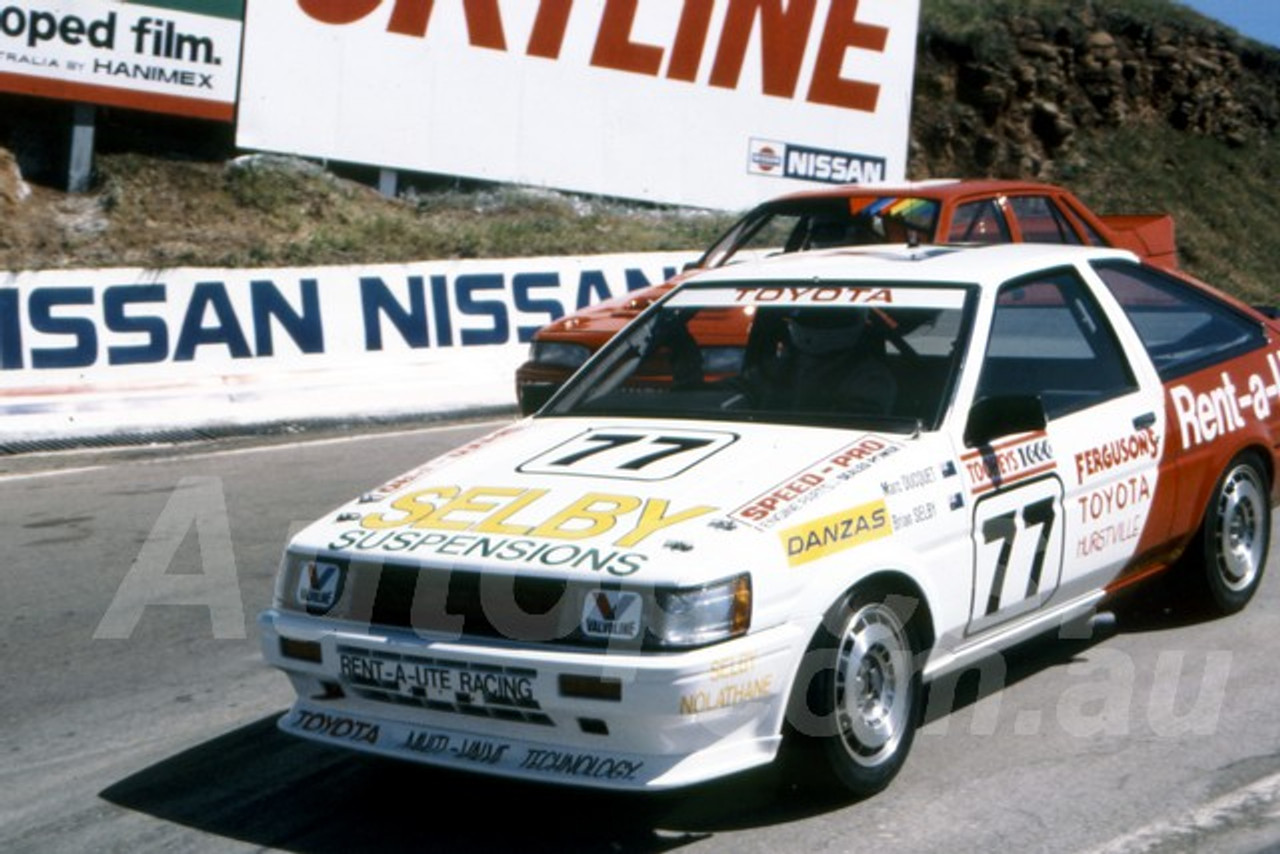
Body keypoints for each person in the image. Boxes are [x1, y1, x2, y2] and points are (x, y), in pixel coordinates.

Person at [742, 308, 897, 416]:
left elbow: (854, 427)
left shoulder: (869, 377)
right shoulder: (778, 366)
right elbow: (739, 387)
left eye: (827, 320)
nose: (818, 323)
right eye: (811, 317)